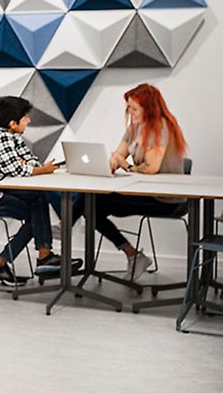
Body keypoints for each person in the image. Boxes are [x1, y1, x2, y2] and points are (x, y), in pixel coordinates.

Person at [73, 83, 187, 282]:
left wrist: (125, 166)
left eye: (134, 108)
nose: (130, 112)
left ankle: (64, 225)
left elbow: (151, 167)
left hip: (165, 199)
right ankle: (133, 255)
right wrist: (112, 162)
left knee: (90, 204)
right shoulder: (135, 127)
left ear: (149, 108)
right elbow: (119, 153)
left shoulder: (159, 126)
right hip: (144, 192)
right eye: (129, 108)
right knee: (90, 204)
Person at [0, 96, 74, 287]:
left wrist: (34, 167)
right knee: (35, 211)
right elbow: (18, 170)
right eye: (26, 117)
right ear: (13, 123)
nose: (29, 120)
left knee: (37, 200)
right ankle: (29, 259)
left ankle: (16, 261)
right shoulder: (0, 138)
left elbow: (30, 161)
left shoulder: (10, 136)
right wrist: (39, 170)